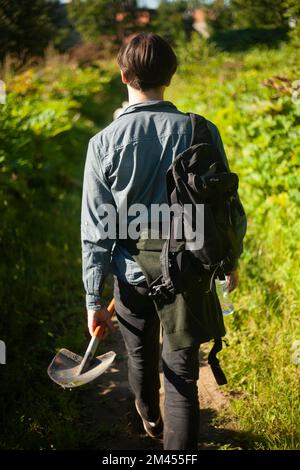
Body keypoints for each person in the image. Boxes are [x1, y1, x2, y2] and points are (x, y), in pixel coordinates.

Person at [81, 32, 245, 450]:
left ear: (123, 76)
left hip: (132, 274)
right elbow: (226, 206)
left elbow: (96, 229)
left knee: (140, 357)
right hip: (188, 271)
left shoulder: (102, 144)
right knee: (184, 375)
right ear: (170, 76)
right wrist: (231, 261)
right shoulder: (201, 129)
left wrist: (94, 301)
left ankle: (150, 420)